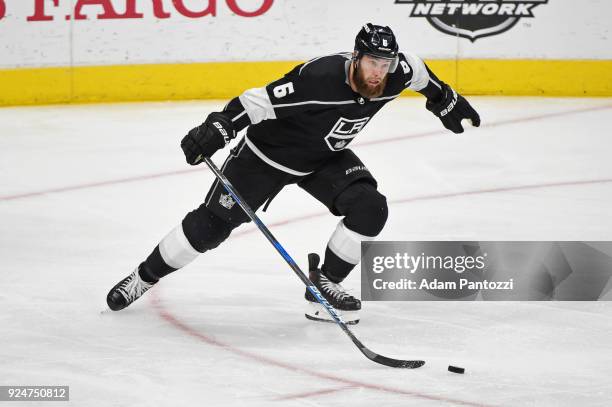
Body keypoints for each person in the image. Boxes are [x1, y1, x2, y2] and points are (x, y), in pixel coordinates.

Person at [106, 23, 480, 324]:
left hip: (323, 159)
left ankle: (324, 286)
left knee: (370, 207)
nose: (378, 73)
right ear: (355, 57)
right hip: (266, 157)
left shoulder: (399, 70)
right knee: (211, 227)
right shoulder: (318, 79)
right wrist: (218, 127)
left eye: (384, 64)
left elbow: (424, 78)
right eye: (371, 63)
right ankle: (142, 277)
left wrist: (445, 101)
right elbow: (256, 102)